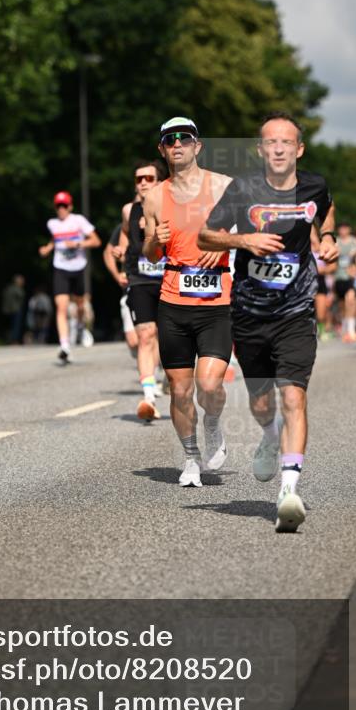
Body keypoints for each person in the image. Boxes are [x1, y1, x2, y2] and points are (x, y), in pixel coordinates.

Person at [199, 111, 338, 532]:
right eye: (270, 142)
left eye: (286, 142)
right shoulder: (243, 189)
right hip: (249, 313)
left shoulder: (314, 186)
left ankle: (288, 491)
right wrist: (243, 239)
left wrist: (327, 238)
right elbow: (206, 235)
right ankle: (269, 434)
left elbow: (326, 210)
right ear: (261, 149)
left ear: (299, 149)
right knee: (262, 404)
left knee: (294, 397)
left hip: (295, 312)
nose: (278, 149)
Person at [142, 117, 233, 486]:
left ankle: (213, 422)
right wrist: (155, 240)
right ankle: (191, 459)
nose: (177, 144)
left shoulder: (223, 186)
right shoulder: (154, 196)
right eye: (170, 140)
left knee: (209, 386)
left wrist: (223, 243)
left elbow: (251, 231)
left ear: (198, 145)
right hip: (173, 301)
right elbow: (150, 254)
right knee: (180, 390)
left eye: (184, 138)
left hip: (216, 302)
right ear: (162, 149)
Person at [119, 161, 167, 422]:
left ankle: (169, 377)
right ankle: (148, 397)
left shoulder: (172, 205)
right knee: (146, 335)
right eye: (139, 179)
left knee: (168, 336)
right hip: (140, 279)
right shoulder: (129, 210)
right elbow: (125, 235)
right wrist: (121, 254)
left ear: (159, 181)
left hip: (170, 278)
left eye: (149, 178)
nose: (144, 183)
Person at [38, 191, 101, 364]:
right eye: (58, 206)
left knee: (80, 305)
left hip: (78, 268)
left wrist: (78, 243)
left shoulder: (78, 220)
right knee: (61, 307)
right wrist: (47, 248)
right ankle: (64, 346)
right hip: (61, 268)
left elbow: (96, 241)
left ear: (70, 206)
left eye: (64, 205)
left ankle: (81, 327)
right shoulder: (52, 223)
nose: (61, 209)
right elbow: (55, 239)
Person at [103, 222, 138, 358]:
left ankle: (152, 366)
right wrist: (117, 275)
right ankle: (148, 359)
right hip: (130, 288)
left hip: (155, 288)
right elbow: (108, 252)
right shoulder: (125, 226)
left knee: (150, 334)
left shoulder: (161, 223)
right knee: (134, 342)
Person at [333, 222, 356, 342]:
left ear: (349, 229)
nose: (343, 231)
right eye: (341, 229)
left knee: (350, 301)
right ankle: (344, 326)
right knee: (342, 304)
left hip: (351, 277)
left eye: (345, 228)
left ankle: (351, 330)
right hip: (339, 277)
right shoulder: (336, 241)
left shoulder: (354, 242)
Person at [1, 275, 26, 344]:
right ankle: (14, 341)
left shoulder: (8, 288)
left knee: (9, 327)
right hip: (16, 310)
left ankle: (8, 340)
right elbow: (22, 296)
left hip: (7, 310)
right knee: (16, 326)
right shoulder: (17, 289)